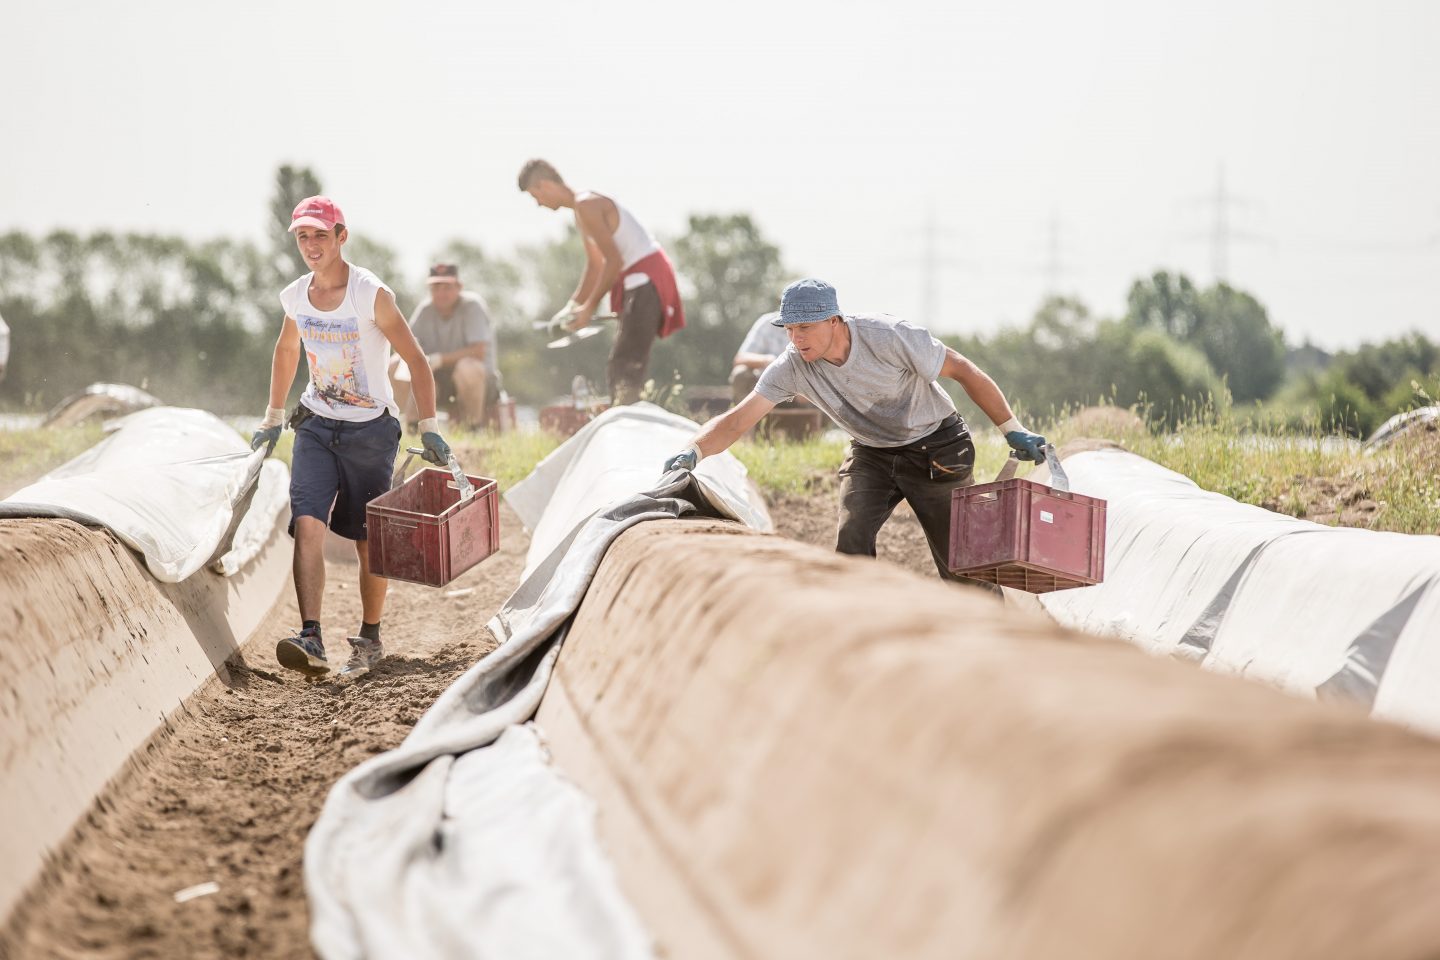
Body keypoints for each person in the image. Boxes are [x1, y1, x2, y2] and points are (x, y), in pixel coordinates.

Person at [663, 278, 1048, 585]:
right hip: (872, 454)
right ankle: (860, 624)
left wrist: (1011, 429)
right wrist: (692, 452)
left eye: (806, 327)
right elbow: (738, 419)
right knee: (852, 537)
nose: (796, 339)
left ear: (834, 320)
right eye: (790, 329)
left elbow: (963, 369)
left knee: (962, 567)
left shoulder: (889, 336)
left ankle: (990, 638)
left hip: (936, 448)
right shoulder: (792, 366)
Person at [250, 196, 453, 676]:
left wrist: (430, 426)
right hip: (317, 426)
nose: (311, 245)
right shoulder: (297, 295)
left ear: (342, 237)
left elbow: (416, 359)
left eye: (320, 235)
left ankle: (370, 637)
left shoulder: (370, 294)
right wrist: (272, 415)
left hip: (371, 432)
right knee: (307, 524)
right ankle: (312, 636)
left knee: (368, 540)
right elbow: (286, 350)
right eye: (303, 236)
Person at [517, 159, 685, 405]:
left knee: (625, 365)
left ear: (545, 185)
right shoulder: (580, 211)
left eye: (535, 196)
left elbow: (613, 261)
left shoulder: (587, 204)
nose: (538, 204)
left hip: (646, 279)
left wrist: (589, 308)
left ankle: (627, 425)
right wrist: (573, 305)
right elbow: (595, 265)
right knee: (623, 363)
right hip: (639, 281)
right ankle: (626, 418)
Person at [391, 263, 499, 429]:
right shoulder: (425, 309)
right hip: (437, 381)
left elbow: (478, 352)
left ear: (459, 287)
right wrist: (415, 357)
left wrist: (439, 359)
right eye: (436, 287)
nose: (441, 293)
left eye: (447, 287)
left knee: (467, 367)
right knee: (396, 364)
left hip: (480, 384)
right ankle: (409, 426)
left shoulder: (473, 306)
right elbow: (406, 342)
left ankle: (473, 428)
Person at [729, 311, 789, 404]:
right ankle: (746, 416)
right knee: (740, 373)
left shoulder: (814, 325)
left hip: (796, 390)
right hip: (764, 388)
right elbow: (740, 358)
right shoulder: (767, 322)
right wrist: (768, 361)